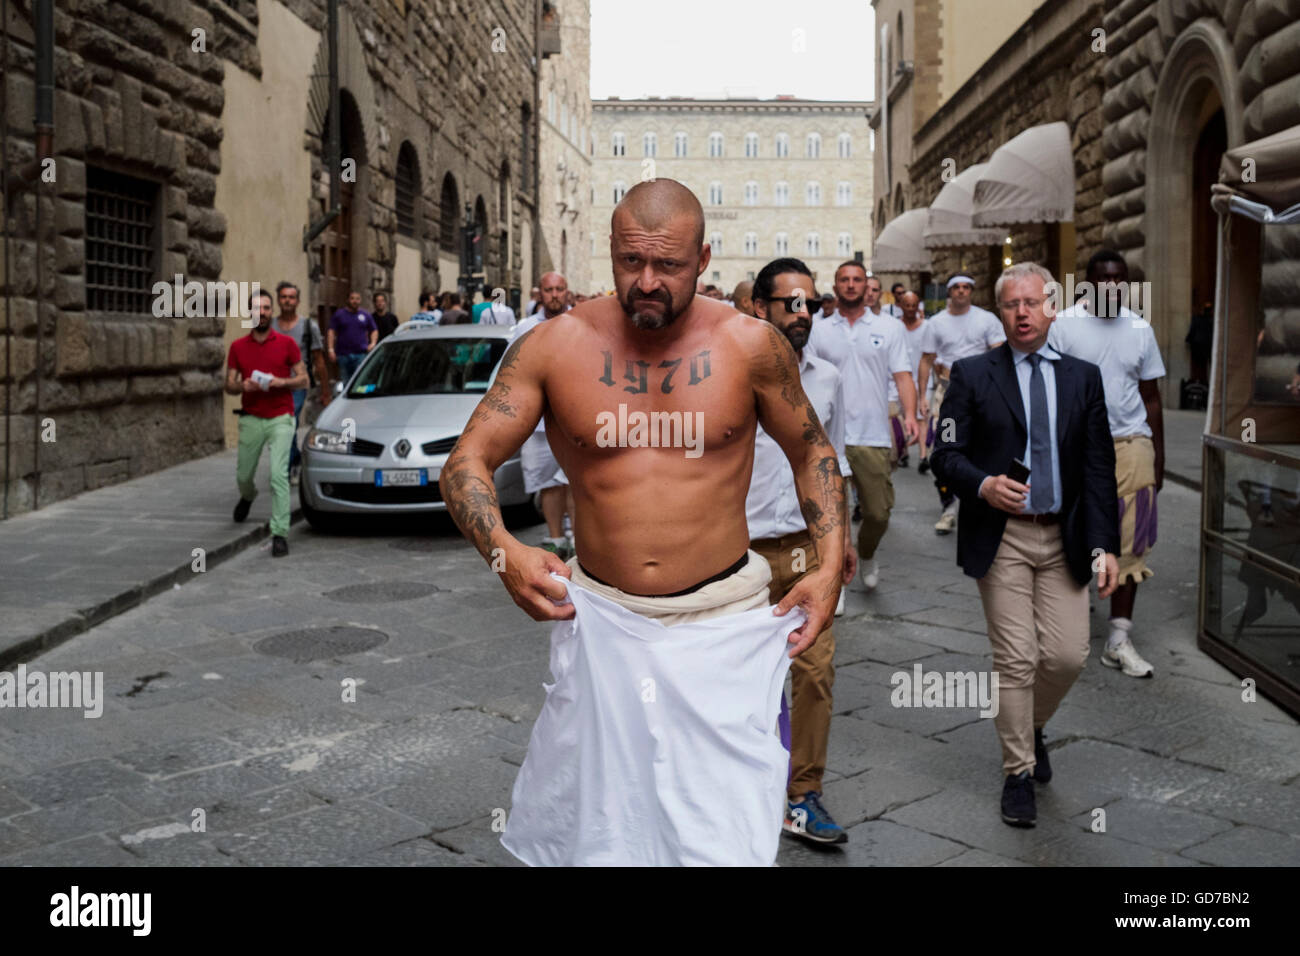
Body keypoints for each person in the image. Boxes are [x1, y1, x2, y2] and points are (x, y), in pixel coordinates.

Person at [440, 178, 845, 866]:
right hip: (602, 623)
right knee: (601, 835)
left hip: (724, 622)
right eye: (632, 262)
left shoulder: (751, 345)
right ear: (611, 251)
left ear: (704, 259)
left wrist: (830, 563)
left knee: (722, 840)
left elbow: (812, 452)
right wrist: (503, 552)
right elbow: (465, 464)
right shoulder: (552, 346)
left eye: (669, 265)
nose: (647, 282)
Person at [931, 261, 1120, 828]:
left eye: (1032, 304)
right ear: (1001, 311)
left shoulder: (1082, 378)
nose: (1021, 314)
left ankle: (1030, 724)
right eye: (1011, 305)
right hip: (1004, 536)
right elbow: (944, 453)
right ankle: (1017, 771)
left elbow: (1098, 466)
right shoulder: (970, 374)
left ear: (1051, 308)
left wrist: (1105, 545)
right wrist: (983, 485)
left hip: (1065, 535)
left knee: (1066, 655)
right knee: (1015, 659)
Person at [747, 256, 856, 846]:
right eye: (790, 302)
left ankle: (802, 794)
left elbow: (831, 465)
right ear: (758, 307)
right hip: (735, 555)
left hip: (806, 550)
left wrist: (843, 542)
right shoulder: (727, 374)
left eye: (810, 304)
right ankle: (743, 784)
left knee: (814, 673)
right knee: (741, 676)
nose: (802, 313)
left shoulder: (829, 378)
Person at [1050, 249, 1164, 679]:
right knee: (1075, 532)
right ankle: (1067, 626)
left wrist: (1159, 455)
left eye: (1121, 279)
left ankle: (1118, 639)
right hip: (1078, 446)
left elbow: (1150, 396)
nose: (1113, 286)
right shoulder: (1063, 326)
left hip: (1132, 443)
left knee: (1133, 542)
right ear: (1088, 283)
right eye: (1104, 279)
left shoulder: (1139, 328)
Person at [805, 263, 918, 592]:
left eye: (857, 280)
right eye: (844, 280)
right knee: (828, 517)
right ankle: (833, 580)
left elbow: (902, 374)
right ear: (836, 285)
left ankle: (866, 552)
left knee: (879, 513)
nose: (851, 285)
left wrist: (910, 415)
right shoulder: (818, 328)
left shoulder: (889, 327)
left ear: (866, 286)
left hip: (872, 433)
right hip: (827, 434)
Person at [917, 274, 1005, 530]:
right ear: (949, 292)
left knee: (982, 448)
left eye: (967, 287)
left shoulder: (986, 319)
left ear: (972, 291)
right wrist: (922, 396)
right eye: (957, 287)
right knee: (945, 448)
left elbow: (999, 355)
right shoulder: (936, 323)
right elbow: (926, 360)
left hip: (982, 396)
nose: (962, 291)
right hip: (947, 396)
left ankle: (978, 503)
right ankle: (948, 506)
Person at [225, 289, 308, 558]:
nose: (261, 313)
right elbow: (229, 385)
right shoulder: (237, 347)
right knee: (243, 476)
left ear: (271, 313)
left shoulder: (286, 344)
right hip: (251, 418)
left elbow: (303, 379)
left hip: (281, 418)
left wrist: (281, 382)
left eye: (265, 308)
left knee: (277, 475)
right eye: (256, 309)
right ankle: (247, 496)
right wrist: (242, 385)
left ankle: (280, 533)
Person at [512, 271, 576, 560]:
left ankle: (579, 538)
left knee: (574, 480)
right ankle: (556, 538)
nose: (554, 295)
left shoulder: (580, 323)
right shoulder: (525, 327)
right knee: (548, 483)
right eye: (548, 290)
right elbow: (511, 369)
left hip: (573, 418)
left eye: (559, 289)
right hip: (537, 422)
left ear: (567, 292)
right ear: (540, 294)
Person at [273, 281, 329, 487]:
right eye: (284, 297)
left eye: (291, 297)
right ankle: (295, 457)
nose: (287, 301)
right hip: (274, 386)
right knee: (285, 427)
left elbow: (319, 360)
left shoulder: (308, 326)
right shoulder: (270, 325)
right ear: (278, 299)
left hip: (298, 385)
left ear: (297, 301)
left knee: (286, 425)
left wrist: (326, 392)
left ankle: (283, 472)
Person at [888, 290, 928, 469]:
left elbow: (930, 356)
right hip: (897, 378)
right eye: (907, 305)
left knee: (922, 417)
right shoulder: (893, 327)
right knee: (899, 417)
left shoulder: (927, 326)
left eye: (914, 305)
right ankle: (902, 449)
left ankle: (923, 456)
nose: (911, 309)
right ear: (900, 306)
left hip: (921, 378)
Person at [327, 290, 377, 382]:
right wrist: (330, 349)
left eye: (357, 299)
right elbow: (331, 331)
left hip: (360, 354)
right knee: (345, 382)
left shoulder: (365, 315)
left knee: (359, 381)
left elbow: (374, 330)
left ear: (360, 300)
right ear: (348, 300)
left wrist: (373, 343)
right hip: (343, 355)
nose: (355, 301)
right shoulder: (339, 314)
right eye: (352, 298)